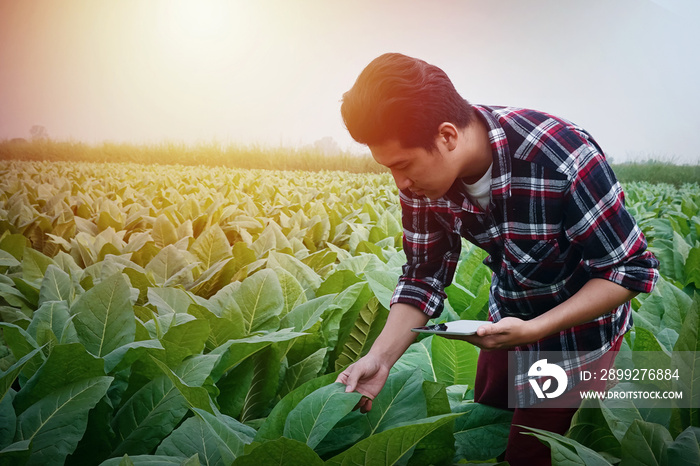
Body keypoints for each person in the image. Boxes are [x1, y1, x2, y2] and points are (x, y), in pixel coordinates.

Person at [334, 52, 659, 466]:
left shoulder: (561, 156)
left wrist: (536, 329)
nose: (400, 182)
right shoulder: (421, 183)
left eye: (402, 165)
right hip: (505, 318)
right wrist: (378, 359)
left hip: (576, 337)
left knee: (531, 453)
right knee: (486, 426)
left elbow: (629, 270)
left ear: (448, 136)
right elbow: (423, 275)